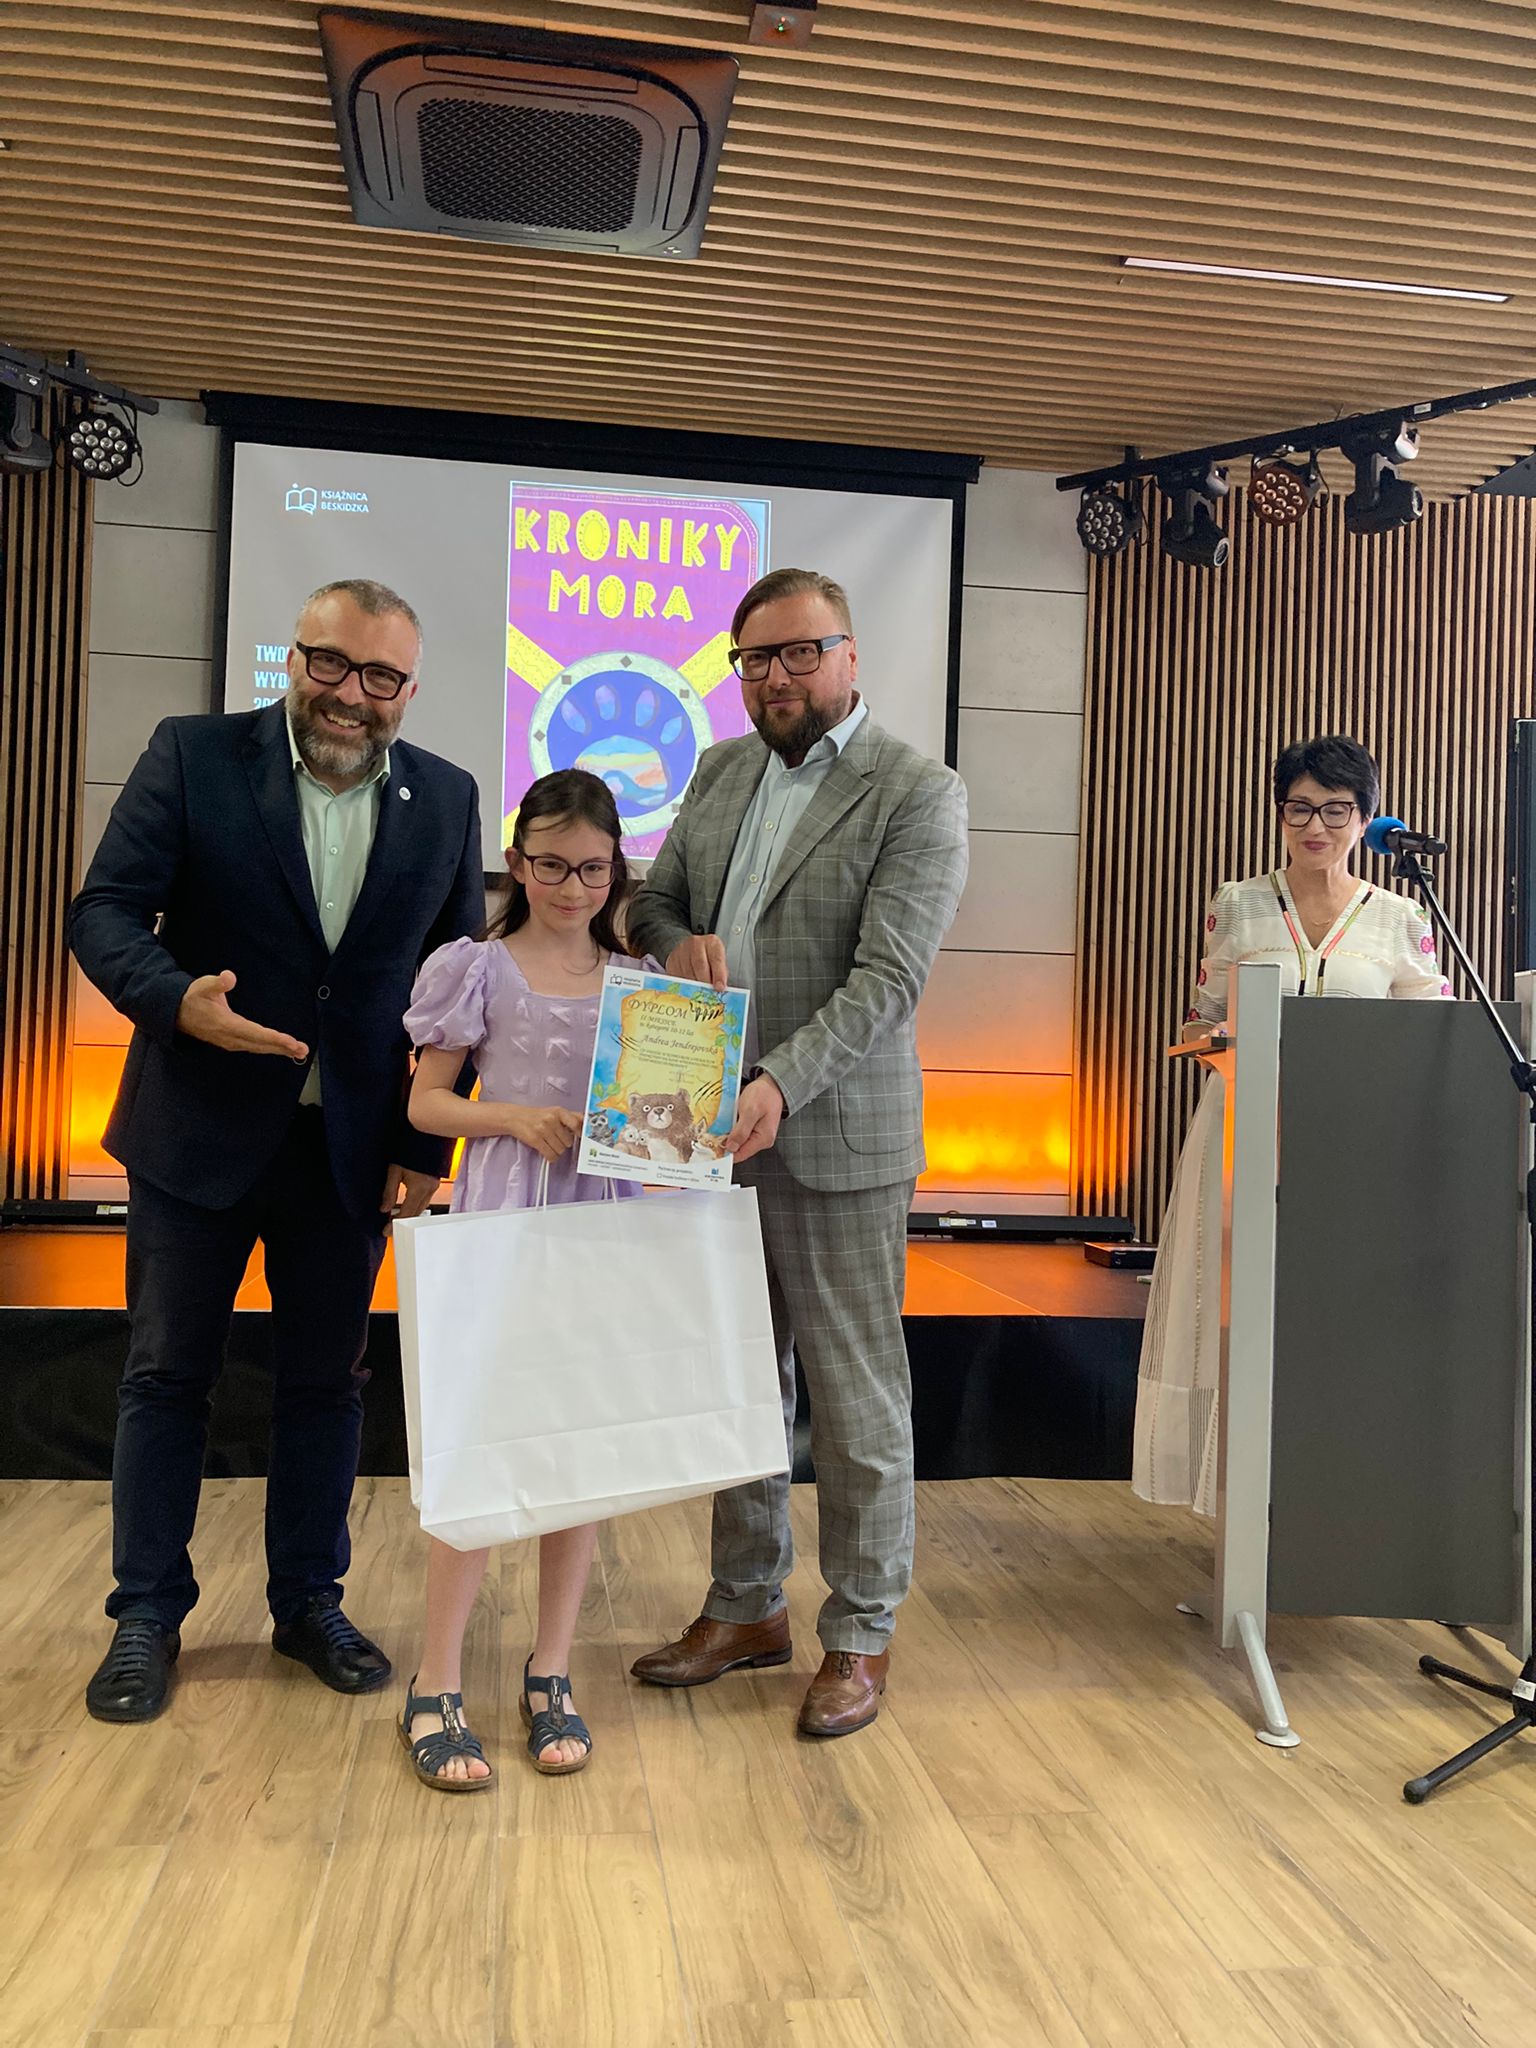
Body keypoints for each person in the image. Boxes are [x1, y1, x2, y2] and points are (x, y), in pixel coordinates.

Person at [68, 578, 483, 1722]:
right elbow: (104, 910)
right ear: (293, 659)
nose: (351, 694)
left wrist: (424, 1144)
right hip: (195, 1131)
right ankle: (146, 1612)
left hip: (348, 1150)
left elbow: (461, 991)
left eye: (380, 676)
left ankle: (308, 1601)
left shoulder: (448, 796)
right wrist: (173, 1000)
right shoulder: (193, 755)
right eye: (330, 663)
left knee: (324, 1385)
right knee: (166, 1375)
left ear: (409, 689)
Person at [625, 566, 969, 1739]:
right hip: (704, 1125)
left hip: (833, 1135)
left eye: (799, 652)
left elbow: (889, 979)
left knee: (854, 1392)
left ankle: (861, 1629)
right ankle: (746, 1604)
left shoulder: (917, 790)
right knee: (736, 1379)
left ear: (851, 655)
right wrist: (676, 945)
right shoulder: (722, 769)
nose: (775, 675)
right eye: (755, 658)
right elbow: (655, 901)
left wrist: (779, 1079)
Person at [397, 768, 655, 1788]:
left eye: (591, 868)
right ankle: (438, 1679)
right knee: (480, 1443)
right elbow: (425, 1104)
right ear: (517, 861)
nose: (571, 886)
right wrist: (511, 1117)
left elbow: (669, 1119)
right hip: (503, 1214)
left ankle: (552, 1669)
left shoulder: (639, 981)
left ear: (615, 868)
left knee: (576, 1451)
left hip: (602, 1222)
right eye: (550, 864)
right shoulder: (477, 967)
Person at [1133, 735, 1451, 1514]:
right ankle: (1240, 1506)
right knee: (1238, 1310)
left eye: (1335, 810)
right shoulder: (1239, 903)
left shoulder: (1400, 916)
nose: (1315, 826)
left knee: (1340, 1315)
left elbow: (1431, 1033)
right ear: (1279, 814)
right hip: (1243, 1134)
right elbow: (1200, 1021)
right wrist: (1222, 1045)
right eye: (1298, 808)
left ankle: (1331, 1499)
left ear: (1366, 818)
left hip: (1356, 1147)